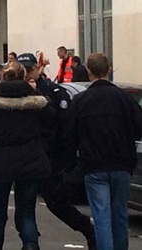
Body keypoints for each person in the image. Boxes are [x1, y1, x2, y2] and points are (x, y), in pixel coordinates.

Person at [18, 53, 96, 249]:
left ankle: (87, 229)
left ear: (37, 69)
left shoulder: (53, 92)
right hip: (25, 158)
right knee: (24, 206)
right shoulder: (16, 92)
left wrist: (65, 160)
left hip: (50, 158)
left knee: (57, 204)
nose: (27, 73)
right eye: (23, 70)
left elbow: (66, 128)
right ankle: (30, 241)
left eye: (29, 69)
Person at [0, 62, 51, 250]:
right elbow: (52, 125)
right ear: (24, 77)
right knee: (27, 212)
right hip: (31, 160)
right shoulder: (36, 104)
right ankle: (31, 245)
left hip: (0, 162)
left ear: (2, 78)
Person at [66, 53, 142, 250]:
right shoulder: (125, 98)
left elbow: (70, 134)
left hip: (94, 164)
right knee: (120, 214)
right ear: (109, 70)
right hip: (122, 163)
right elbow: (139, 128)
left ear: (89, 72)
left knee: (101, 217)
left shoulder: (81, 100)